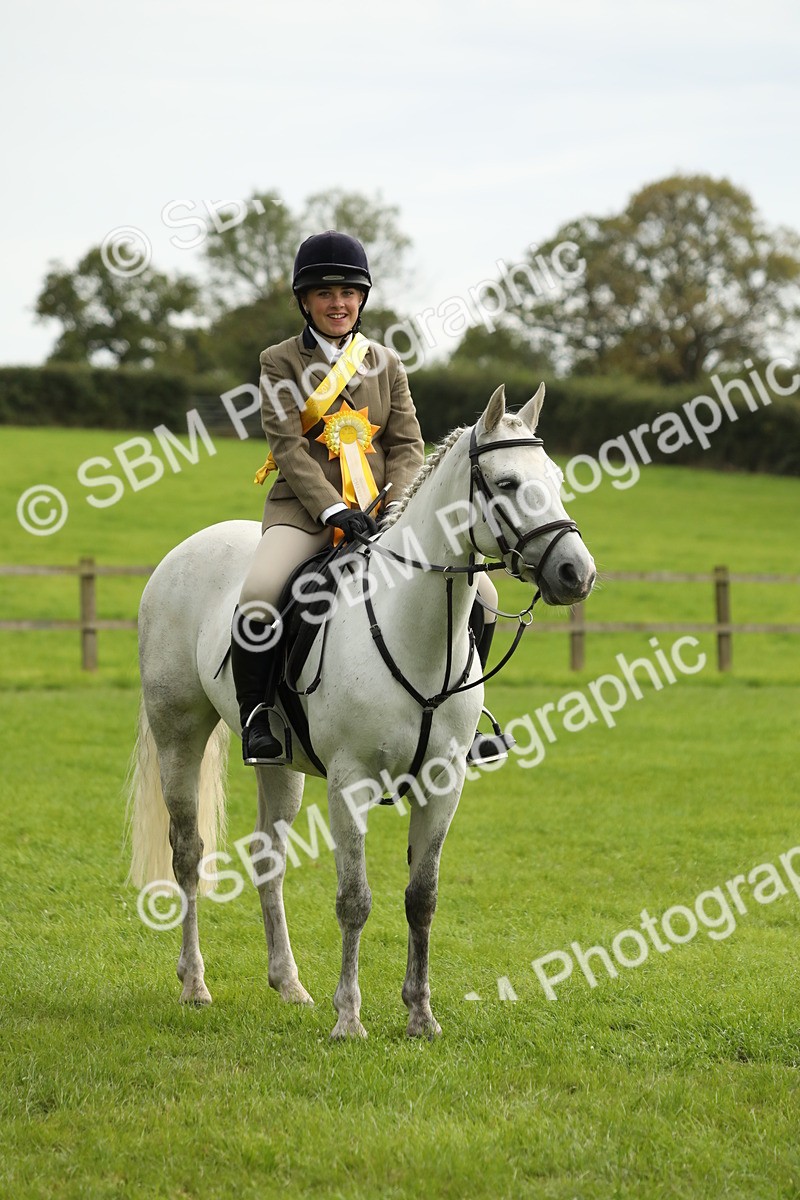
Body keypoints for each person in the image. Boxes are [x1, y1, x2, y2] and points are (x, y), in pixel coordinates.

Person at [230, 230, 506, 767]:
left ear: (362, 299)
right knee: (259, 594)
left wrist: (397, 509)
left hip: (384, 513)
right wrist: (333, 509)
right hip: (306, 511)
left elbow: (407, 444)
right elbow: (286, 447)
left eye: (348, 292)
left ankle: (466, 720)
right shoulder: (279, 362)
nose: (338, 303)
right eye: (325, 293)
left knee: (487, 596)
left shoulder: (385, 362)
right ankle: (256, 715)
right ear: (305, 301)